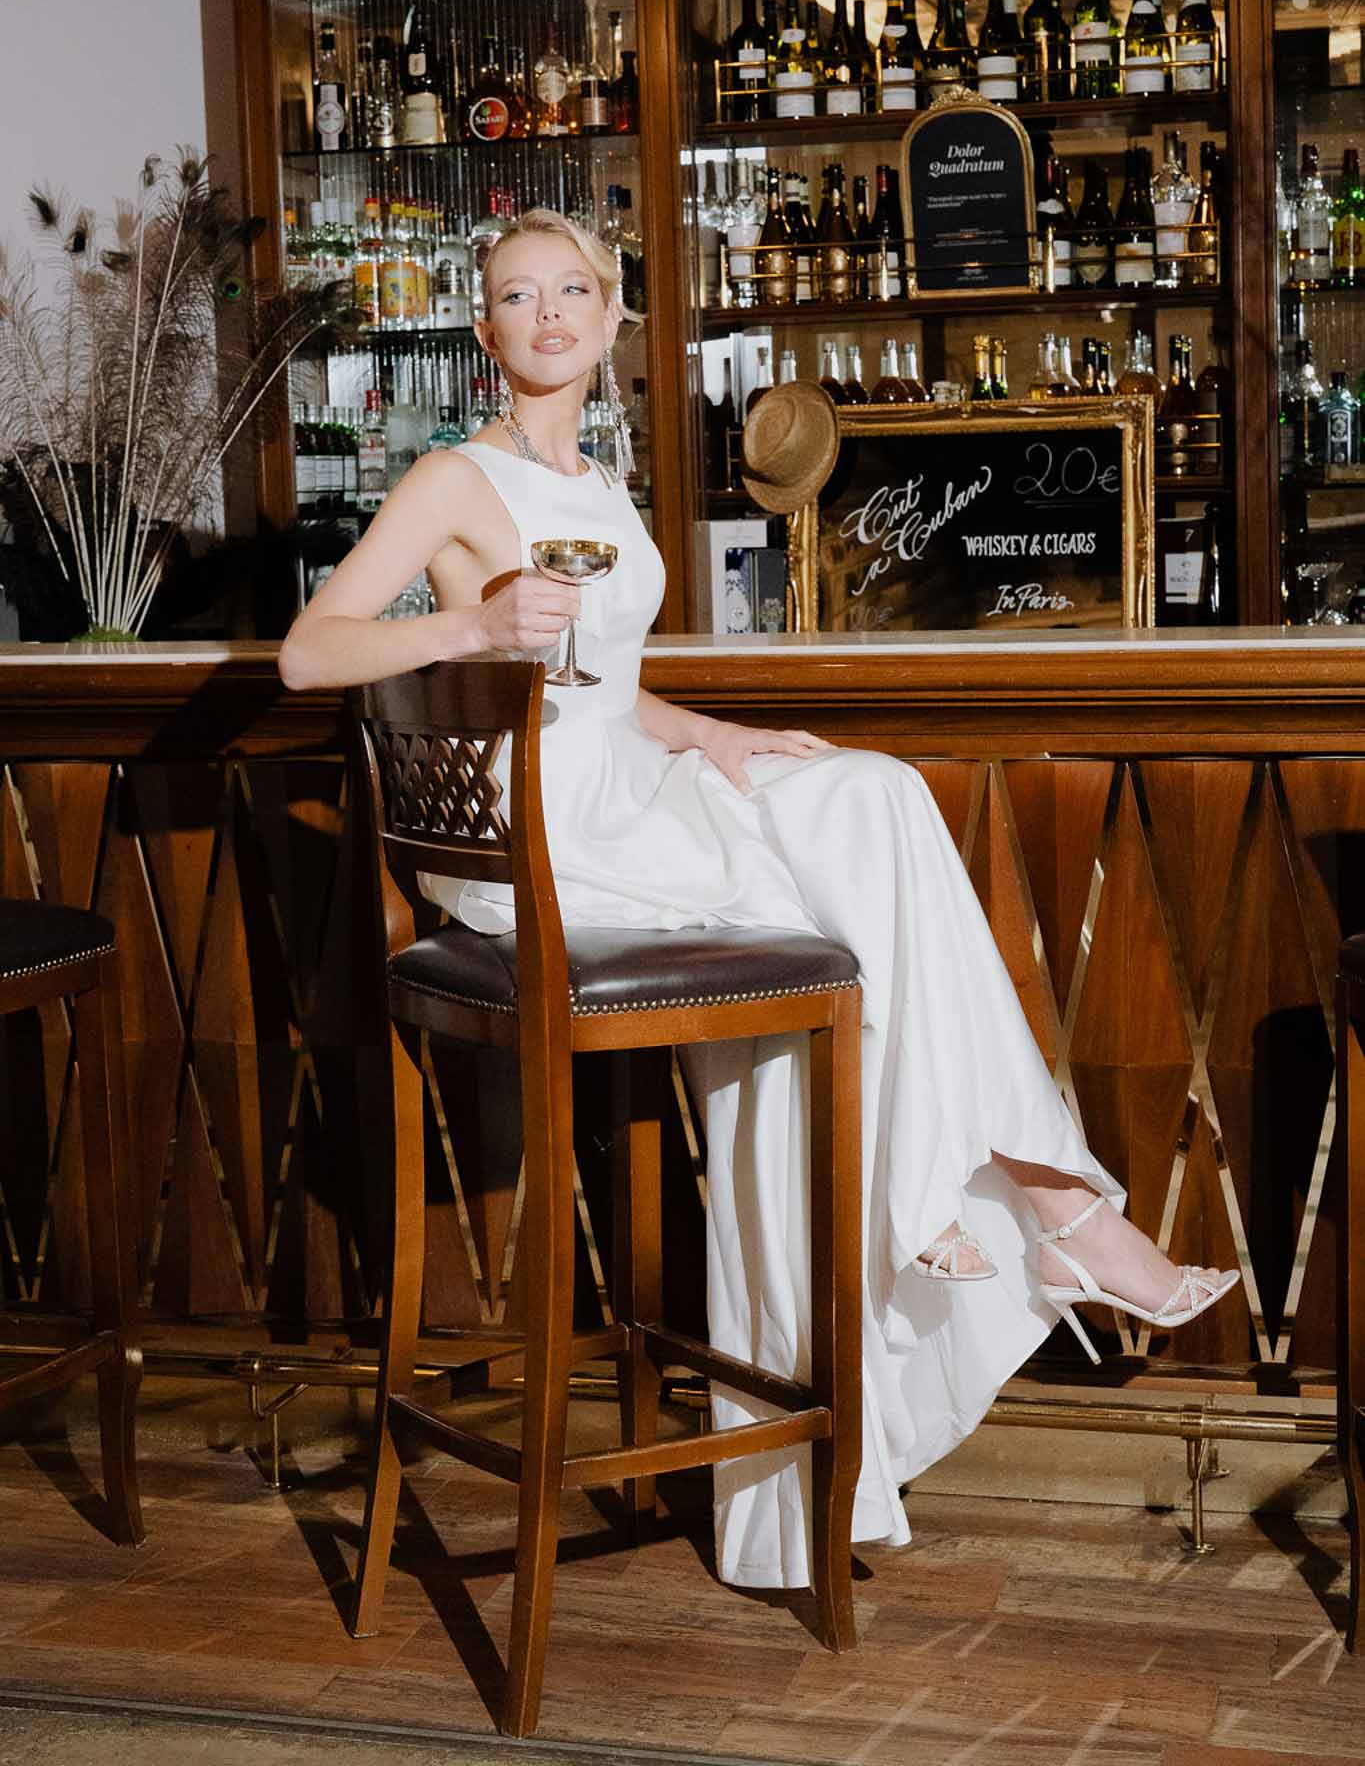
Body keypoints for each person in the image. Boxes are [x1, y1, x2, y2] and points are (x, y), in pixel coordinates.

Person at [279, 207, 1239, 1593]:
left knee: (865, 803)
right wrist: (474, 627)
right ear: (483, 331)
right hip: (539, 847)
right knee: (876, 819)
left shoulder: (601, 491)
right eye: (513, 296)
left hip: (621, 797)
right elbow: (313, 655)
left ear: (613, 321)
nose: (545, 314)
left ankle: (957, 1225)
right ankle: (1037, 1199)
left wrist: (715, 738)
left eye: (573, 291)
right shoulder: (450, 478)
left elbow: (611, 695)